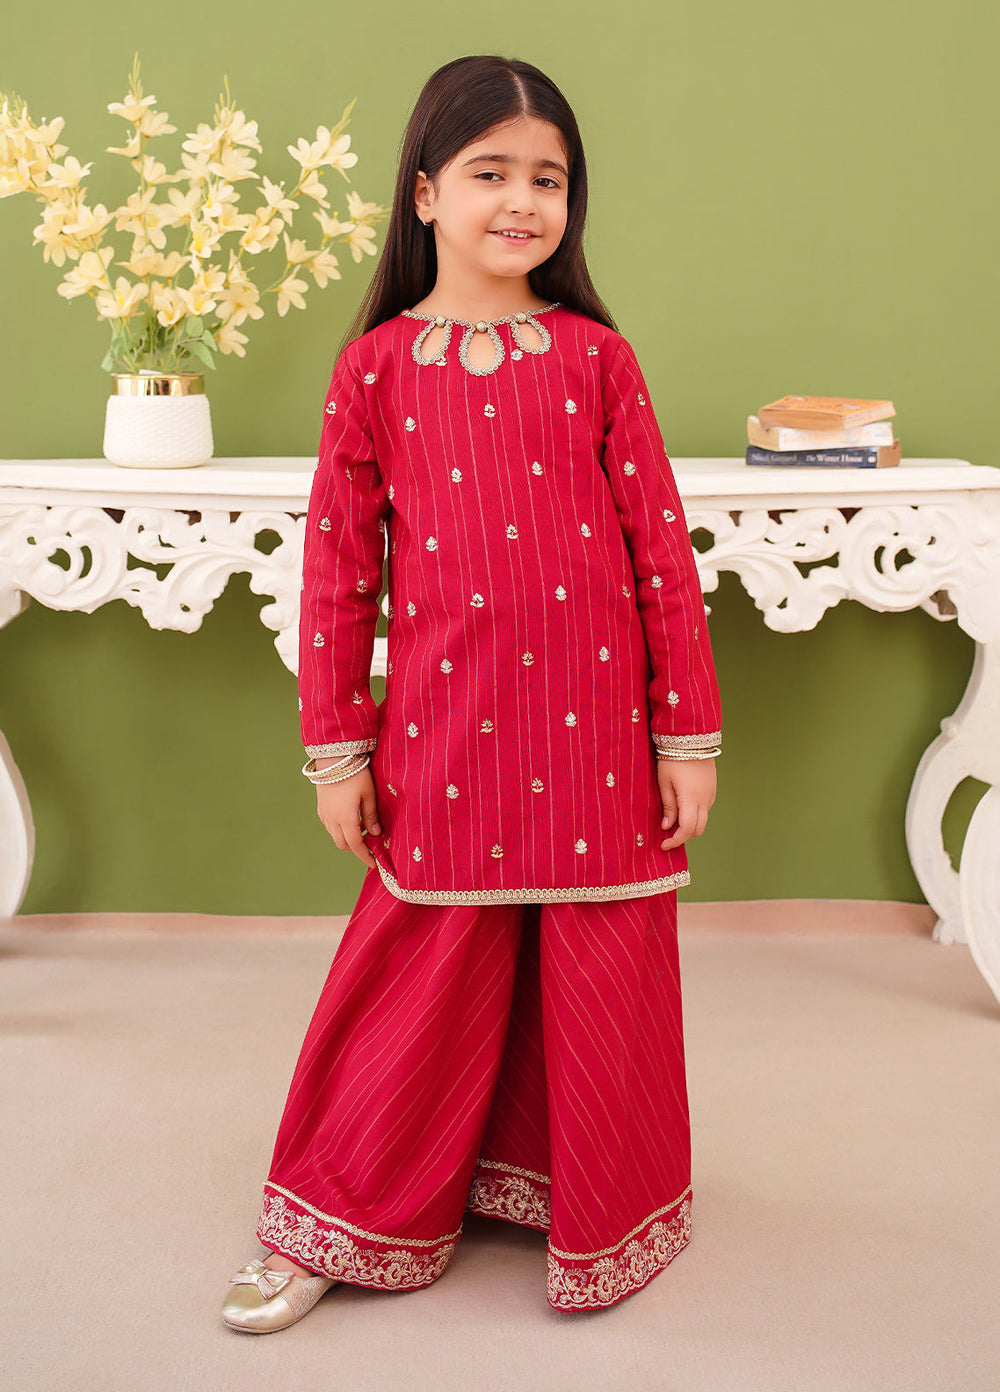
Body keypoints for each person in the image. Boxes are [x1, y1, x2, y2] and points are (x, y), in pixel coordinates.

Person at [222, 53, 721, 1334]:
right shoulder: (375, 370)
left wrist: (688, 736)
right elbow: (337, 575)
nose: (522, 200)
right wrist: (337, 750)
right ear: (425, 191)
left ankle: (591, 1203)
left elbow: (661, 556)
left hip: (601, 734)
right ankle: (339, 1214)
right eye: (490, 172)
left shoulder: (597, 359)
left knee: (598, 961)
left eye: (548, 178)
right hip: (449, 729)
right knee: (421, 966)